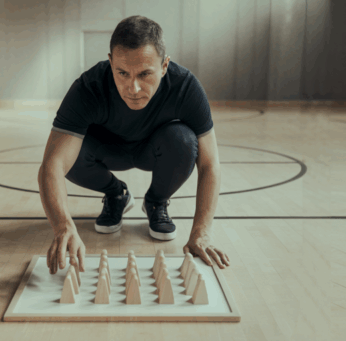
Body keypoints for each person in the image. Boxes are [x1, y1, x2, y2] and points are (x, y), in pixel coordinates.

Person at [39, 15, 231, 274]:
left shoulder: (186, 86)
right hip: (106, 152)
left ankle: (156, 202)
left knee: (185, 141)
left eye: (145, 73)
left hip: (156, 151)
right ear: (110, 63)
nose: (133, 87)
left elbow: (210, 163)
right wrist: (63, 226)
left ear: (164, 66)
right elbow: (52, 165)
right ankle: (116, 194)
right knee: (67, 155)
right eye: (122, 73)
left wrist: (201, 233)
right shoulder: (88, 88)